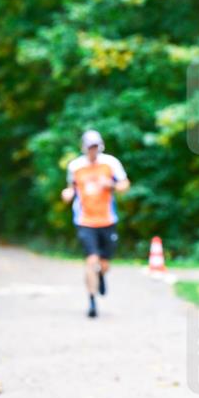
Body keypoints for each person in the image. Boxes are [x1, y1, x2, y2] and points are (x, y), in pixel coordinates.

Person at [61, 129, 130, 318]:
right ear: (84, 148)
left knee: (104, 264)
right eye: (90, 147)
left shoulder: (111, 163)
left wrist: (112, 185)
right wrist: (67, 194)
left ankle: (101, 275)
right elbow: (71, 188)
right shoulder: (75, 166)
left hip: (108, 220)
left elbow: (125, 185)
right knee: (91, 261)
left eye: (96, 147)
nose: (93, 151)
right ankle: (91, 301)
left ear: (100, 147)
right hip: (85, 220)